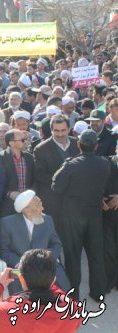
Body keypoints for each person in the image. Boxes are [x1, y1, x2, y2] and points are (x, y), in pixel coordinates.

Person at [52, 129, 112, 301]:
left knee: (72, 256)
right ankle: (98, 292)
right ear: (96, 146)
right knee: (96, 255)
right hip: (94, 215)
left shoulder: (71, 164)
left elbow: (56, 187)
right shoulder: (104, 163)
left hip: (73, 216)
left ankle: (74, 296)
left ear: (78, 144)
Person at [0, 249, 82, 333]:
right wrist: (44, 279)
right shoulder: (73, 310)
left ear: (22, 279)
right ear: (53, 279)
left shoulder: (6, 312)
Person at [0, 190, 70, 294]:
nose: (42, 208)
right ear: (27, 210)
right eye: (38, 205)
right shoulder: (7, 223)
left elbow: (56, 243)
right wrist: (21, 263)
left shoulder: (47, 220)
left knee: (62, 285)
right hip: (19, 267)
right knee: (17, 289)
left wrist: (49, 258)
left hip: (45, 264)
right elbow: (3, 250)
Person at [33, 114, 79, 238]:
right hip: (54, 201)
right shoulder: (41, 149)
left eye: (63, 130)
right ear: (51, 130)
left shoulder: (77, 144)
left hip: (75, 200)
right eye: (56, 131)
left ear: (69, 129)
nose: (60, 134)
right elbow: (39, 175)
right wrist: (60, 181)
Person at [0, 129, 35, 217]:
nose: (25, 142)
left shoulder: (29, 158)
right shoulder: (0, 158)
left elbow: (35, 179)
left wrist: (31, 194)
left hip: (28, 203)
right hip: (8, 205)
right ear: (11, 143)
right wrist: (9, 193)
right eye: (22, 140)